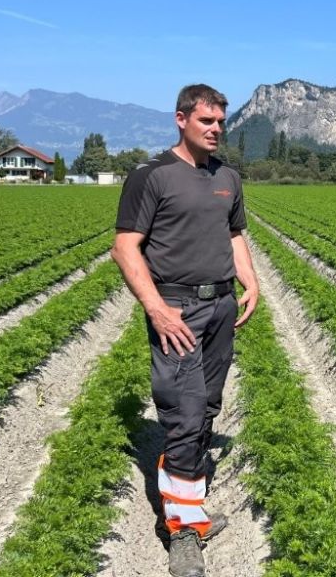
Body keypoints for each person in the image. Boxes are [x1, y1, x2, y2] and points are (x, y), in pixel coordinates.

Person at [111, 84, 258, 577]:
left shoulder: (228, 178)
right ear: (180, 119)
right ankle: (183, 533)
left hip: (219, 308)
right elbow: (125, 248)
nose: (216, 129)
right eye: (206, 121)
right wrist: (155, 308)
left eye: (220, 122)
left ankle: (188, 504)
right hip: (175, 308)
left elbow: (234, 234)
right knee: (184, 412)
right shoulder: (151, 176)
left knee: (207, 404)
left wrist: (251, 281)